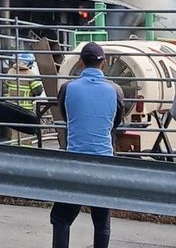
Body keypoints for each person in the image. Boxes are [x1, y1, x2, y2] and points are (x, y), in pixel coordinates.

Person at [50, 42, 124, 248]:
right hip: (104, 162)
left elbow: (67, 117)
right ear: (104, 63)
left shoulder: (67, 88)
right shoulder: (115, 90)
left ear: (81, 62)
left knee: (61, 217)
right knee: (101, 220)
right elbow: (115, 123)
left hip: (75, 161)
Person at [2, 52, 44, 144]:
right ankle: (26, 153)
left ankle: (14, 152)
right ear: (29, 63)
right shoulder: (31, 75)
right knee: (25, 134)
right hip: (25, 110)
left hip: (12, 107)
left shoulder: (10, 72)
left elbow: (5, 87)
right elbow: (38, 91)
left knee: (14, 132)